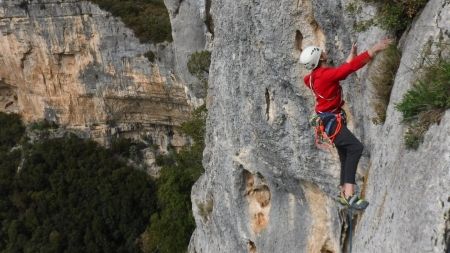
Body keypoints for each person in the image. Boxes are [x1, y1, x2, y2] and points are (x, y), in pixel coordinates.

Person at [299, 39, 392, 210]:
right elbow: (347, 70)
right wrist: (374, 49)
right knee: (355, 148)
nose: (324, 51)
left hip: (327, 122)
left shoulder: (311, 78)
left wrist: (351, 57)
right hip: (333, 123)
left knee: (344, 155)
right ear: (320, 58)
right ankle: (349, 196)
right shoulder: (325, 76)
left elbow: (340, 72)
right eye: (321, 51)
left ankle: (343, 194)